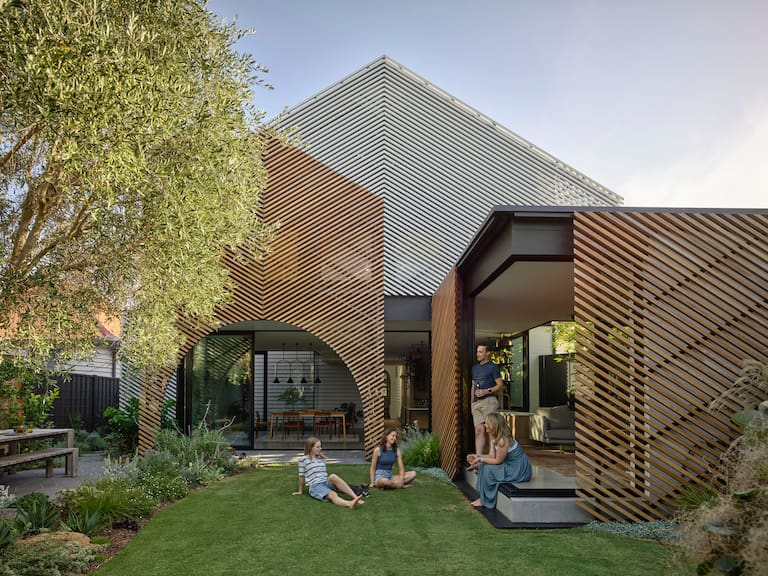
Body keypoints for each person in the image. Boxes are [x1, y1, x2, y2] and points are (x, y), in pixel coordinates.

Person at [466, 412, 532, 509]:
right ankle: (482, 497)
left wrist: (481, 459)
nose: (485, 425)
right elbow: (491, 456)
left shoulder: (502, 440)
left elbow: (497, 461)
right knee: (483, 465)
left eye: (487, 423)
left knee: (488, 469)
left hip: (518, 468)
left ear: (494, 425)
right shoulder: (494, 437)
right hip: (509, 463)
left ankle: (486, 501)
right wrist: (477, 456)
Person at [292, 436, 364, 509]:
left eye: (320, 446)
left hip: (325, 482)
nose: (320, 448)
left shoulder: (321, 458)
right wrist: (300, 491)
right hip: (315, 486)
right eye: (318, 447)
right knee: (332, 494)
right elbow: (301, 476)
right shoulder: (303, 460)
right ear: (311, 448)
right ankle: (349, 504)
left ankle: (355, 497)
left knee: (333, 476)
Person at [470, 344, 503, 455]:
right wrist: (472, 403)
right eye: (477, 351)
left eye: (480, 352)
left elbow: (499, 385)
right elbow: (473, 385)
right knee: (478, 431)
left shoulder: (493, 367)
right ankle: (478, 458)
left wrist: (486, 391)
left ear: (487, 353)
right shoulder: (474, 368)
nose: (477, 354)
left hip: (489, 401)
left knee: (491, 430)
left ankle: (492, 455)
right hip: (476, 403)